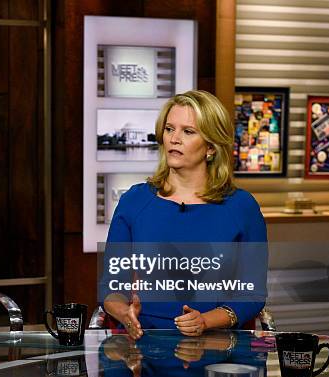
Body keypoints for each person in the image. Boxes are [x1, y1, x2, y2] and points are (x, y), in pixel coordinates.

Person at [103, 90, 267, 339]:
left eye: (188, 132)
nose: (174, 139)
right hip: (146, 344)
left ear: (211, 147)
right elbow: (112, 286)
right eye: (169, 129)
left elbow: (252, 293)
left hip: (218, 348)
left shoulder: (241, 207)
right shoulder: (134, 201)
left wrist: (205, 321)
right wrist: (124, 312)